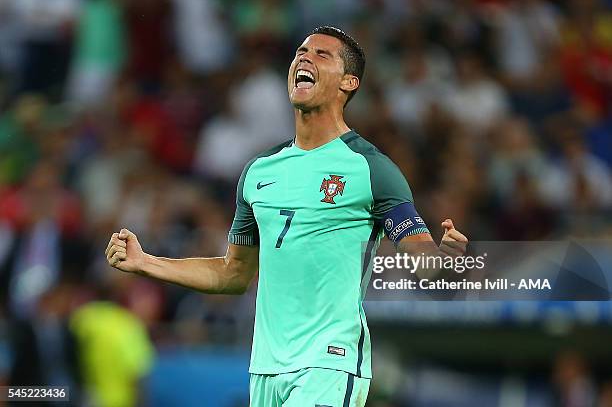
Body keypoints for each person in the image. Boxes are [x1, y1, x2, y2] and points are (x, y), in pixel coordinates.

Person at [105, 26, 468, 407]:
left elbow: (424, 261)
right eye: (300, 52)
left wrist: (446, 258)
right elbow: (233, 274)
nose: (304, 59)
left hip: (329, 363)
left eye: (321, 55)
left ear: (349, 82)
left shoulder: (371, 169)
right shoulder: (259, 171)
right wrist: (147, 262)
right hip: (265, 367)